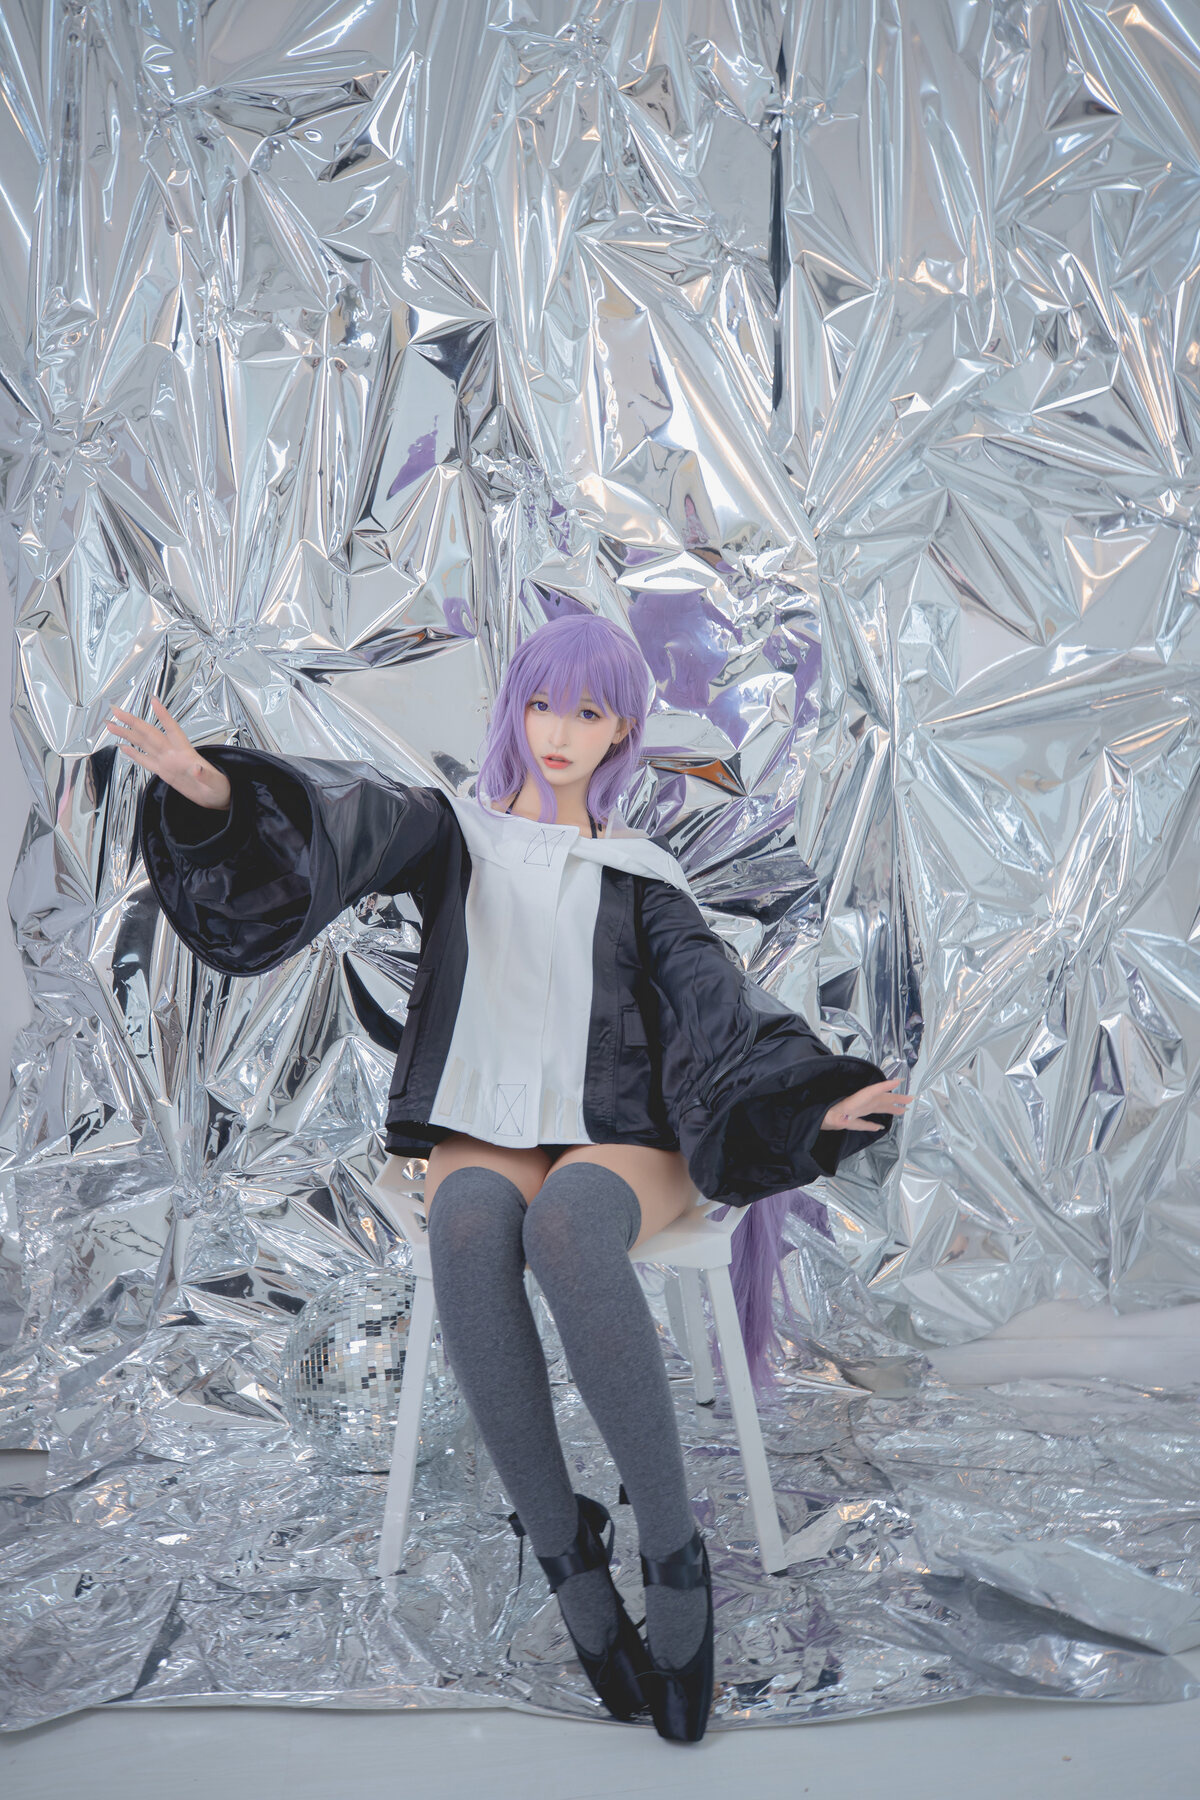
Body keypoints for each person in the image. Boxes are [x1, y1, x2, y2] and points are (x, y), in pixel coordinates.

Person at [107, 612, 911, 1742]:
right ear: (515, 712)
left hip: (619, 1130)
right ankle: (566, 1551)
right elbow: (346, 823)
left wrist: (808, 1098)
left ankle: (673, 1552)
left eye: (587, 711)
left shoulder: (643, 875)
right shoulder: (454, 835)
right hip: (486, 1124)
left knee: (570, 1230)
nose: (558, 731)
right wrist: (218, 799)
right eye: (541, 704)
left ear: (621, 728)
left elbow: (716, 1007)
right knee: (471, 1228)